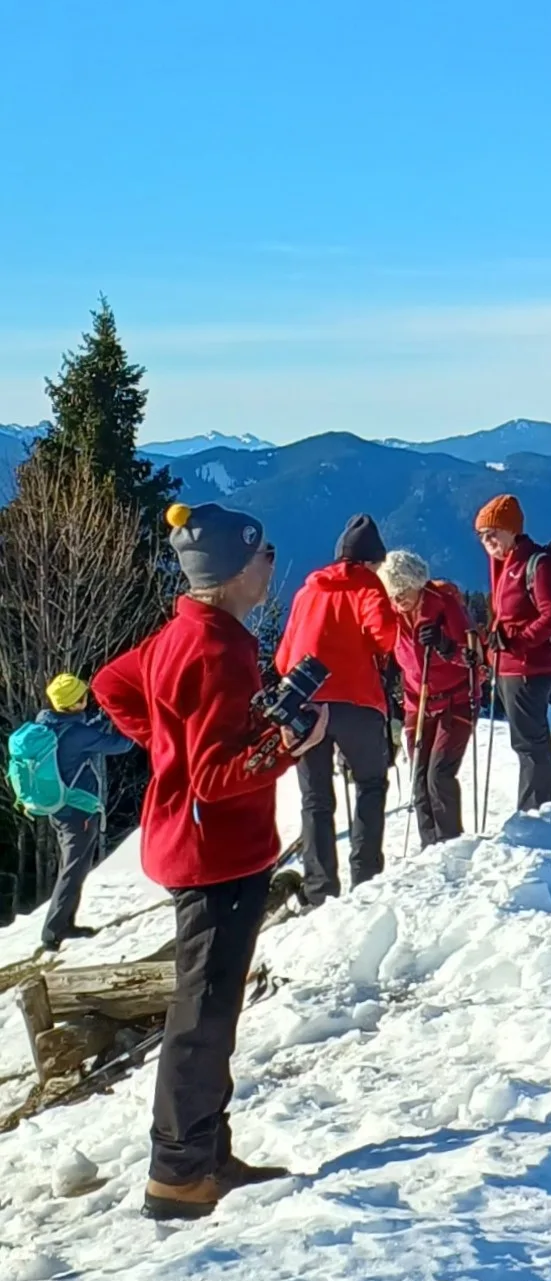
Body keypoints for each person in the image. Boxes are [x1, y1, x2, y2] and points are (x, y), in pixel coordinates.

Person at [93, 500, 328, 1222]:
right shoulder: (217, 648)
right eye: (262, 554)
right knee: (202, 1014)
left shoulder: (185, 630)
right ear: (231, 570)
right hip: (216, 853)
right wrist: (294, 744)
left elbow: (112, 685)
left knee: (211, 1009)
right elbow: (217, 775)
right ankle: (179, 1172)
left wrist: (163, 745)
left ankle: (207, 1152)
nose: (271, 563)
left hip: (190, 841)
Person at [276, 514, 399, 904]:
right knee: (370, 785)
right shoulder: (367, 586)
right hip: (357, 703)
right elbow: (385, 636)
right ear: (369, 561)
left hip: (306, 706)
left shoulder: (308, 591)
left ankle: (319, 890)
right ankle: (366, 880)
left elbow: (283, 658)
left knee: (315, 799)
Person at [475, 493, 551, 811]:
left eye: (492, 532)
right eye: (482, 535)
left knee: (527, 743)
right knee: (535, 739)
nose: (487, 540)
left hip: (528, 667)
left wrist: (518, 642)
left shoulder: (535, 565)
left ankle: (534, 814)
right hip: (513, 665)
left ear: (511, 529)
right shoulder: (506, 565)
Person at [378, 550, 475, 844]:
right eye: (392, 595)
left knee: (438, 776)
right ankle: (429, 846)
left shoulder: (444, 606)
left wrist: (446, 645)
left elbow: (475, 658)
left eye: (403, 592)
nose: (398, 601)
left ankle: (450, 844)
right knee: (419, 781)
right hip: (416, 704)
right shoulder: (393, 616)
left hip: (455, 701)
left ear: (417, 583)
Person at [35, 672, 134, 951]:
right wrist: (128, 718)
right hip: (78, 813)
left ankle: (64, 923)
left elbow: (86, 732)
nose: (86, 700)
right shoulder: (77, 734)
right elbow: (122, 744)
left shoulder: (48, 724)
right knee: (73, 870)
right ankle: (53, 932)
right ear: (72, 704)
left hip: (60, 809)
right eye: (82, 697)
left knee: (74, 867)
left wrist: (103, 719)